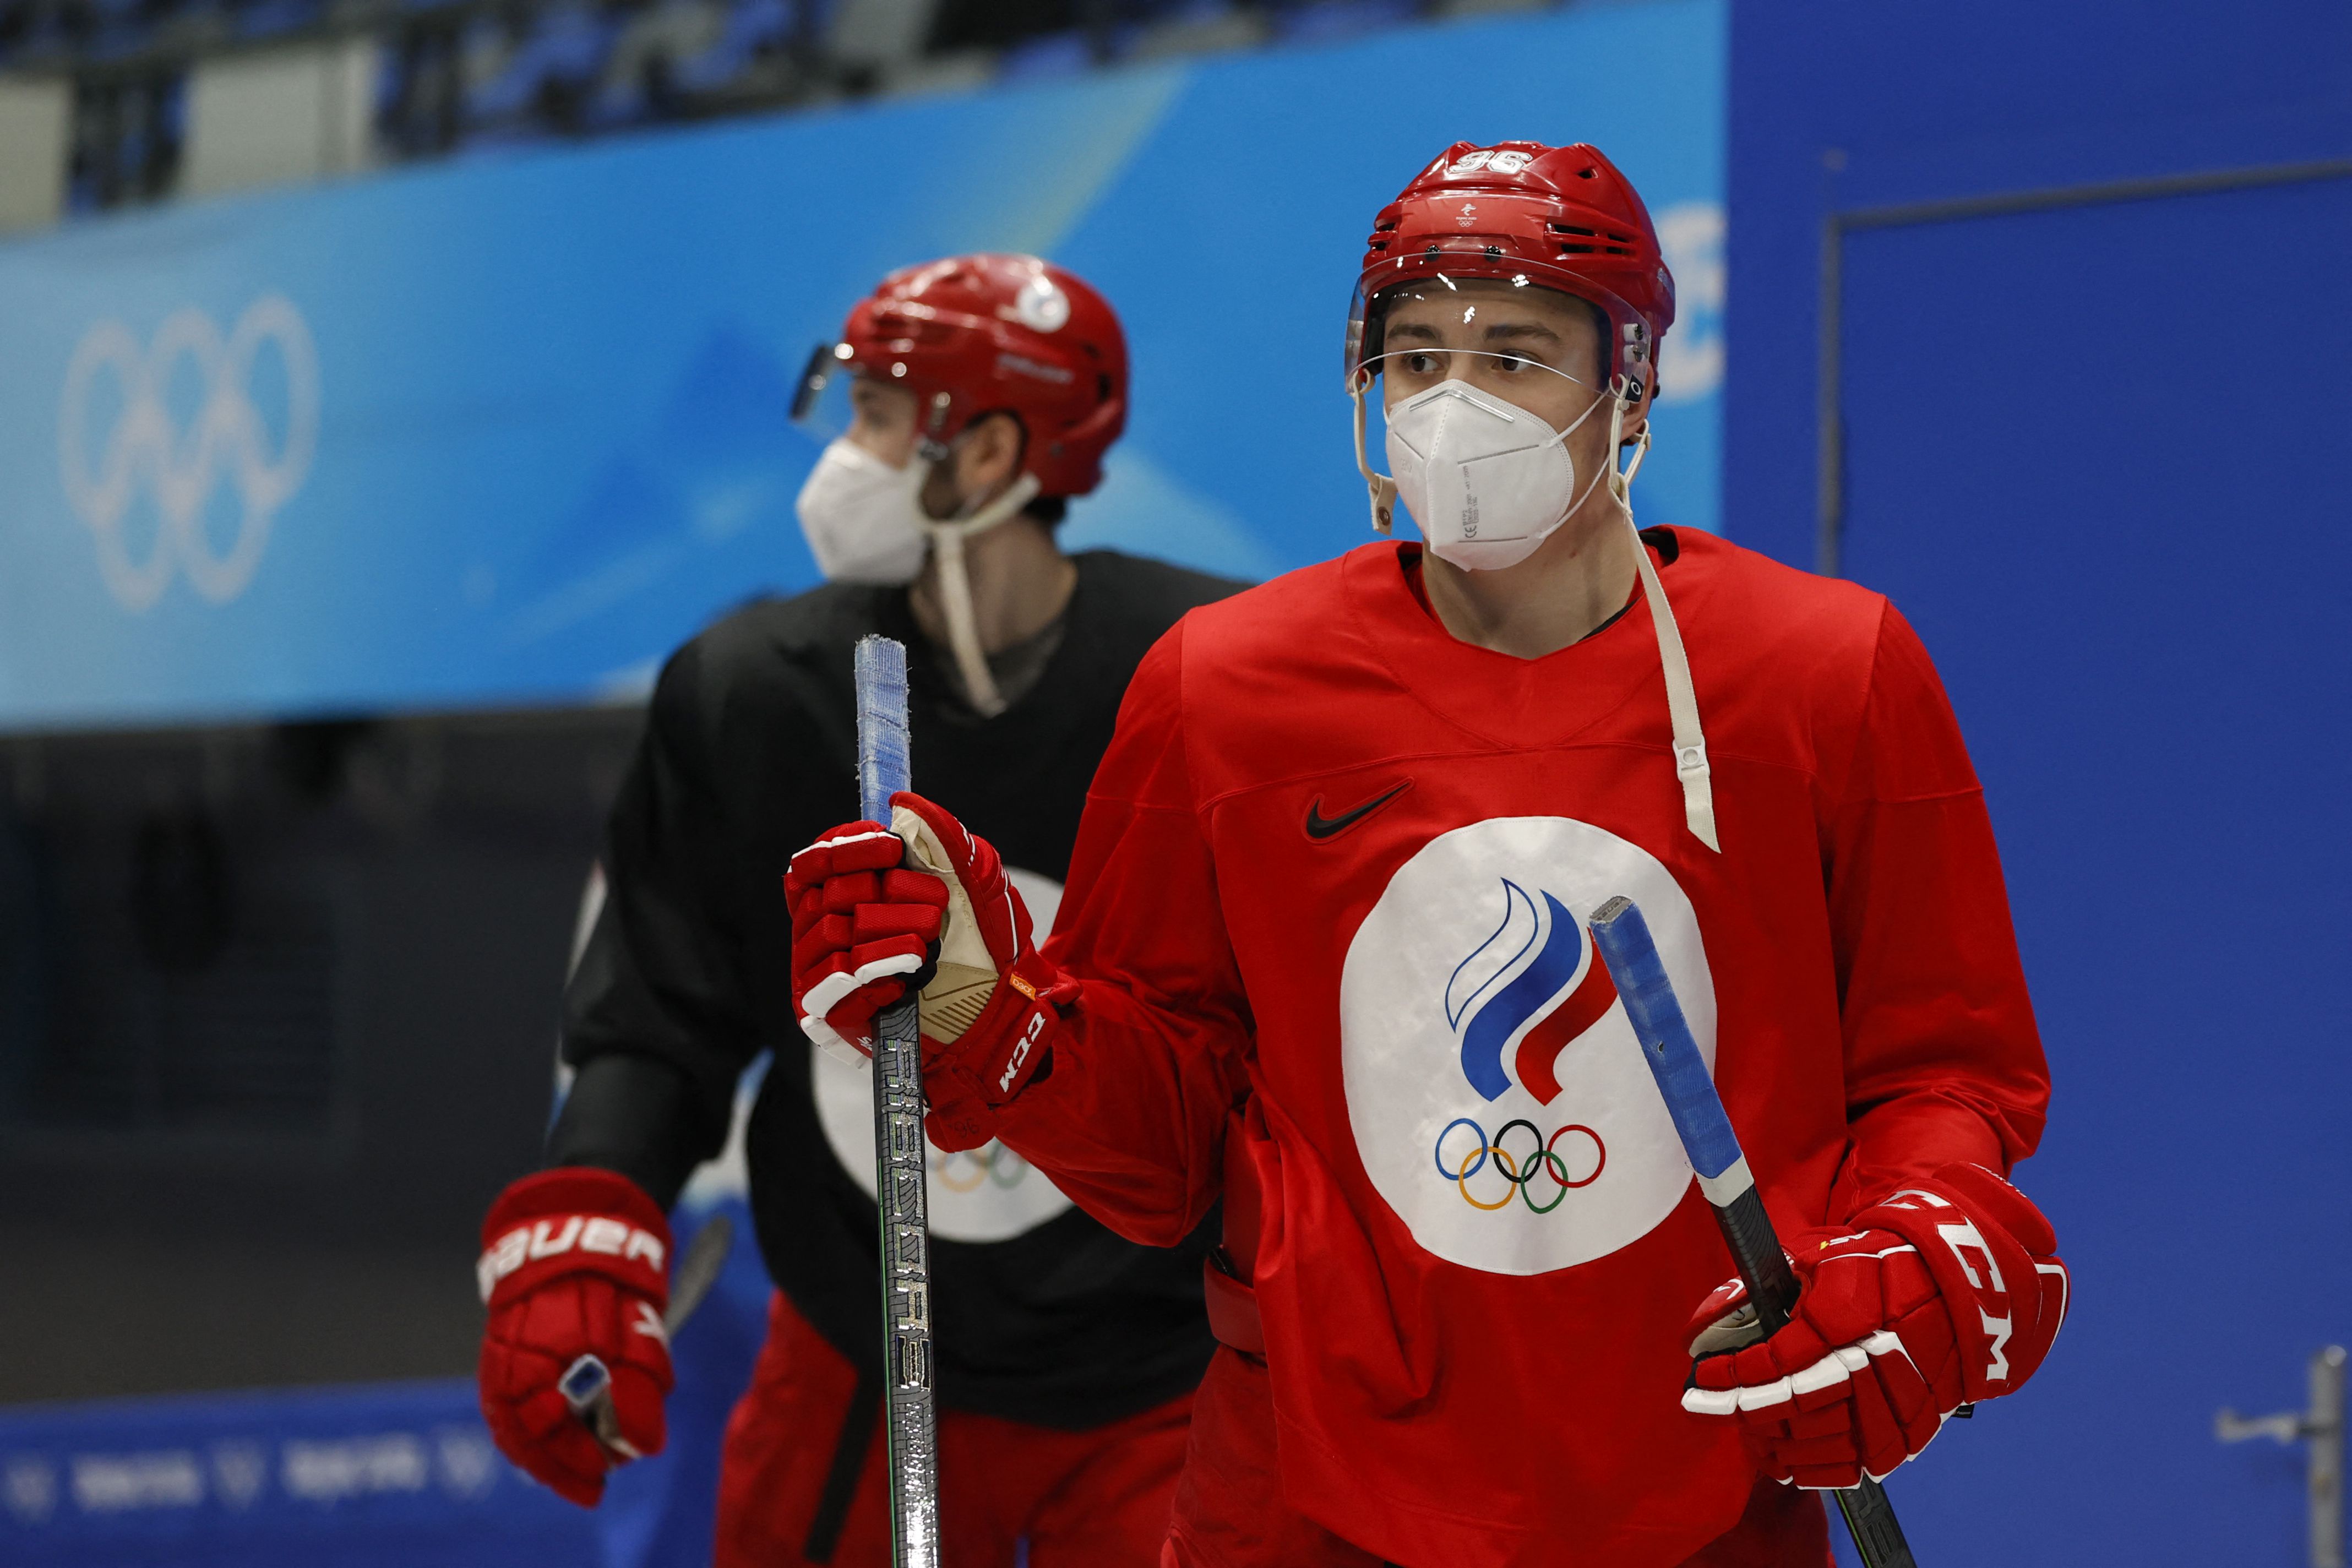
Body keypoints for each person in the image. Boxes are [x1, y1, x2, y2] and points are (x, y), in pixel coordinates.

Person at [786, 144, 2070, 1567]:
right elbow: (1169, 1151)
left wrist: (1920, 1239)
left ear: (1630, 384)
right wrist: (985, 1010)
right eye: (1415, 356)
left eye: (1516, 354)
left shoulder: (1828, 673)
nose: (1454, 404)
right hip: (1301, 1503)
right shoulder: (1223, 690)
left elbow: (1946, 1071)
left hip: (1707, 1482)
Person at [475, 253, 1247, 1568]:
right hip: (862, 1355)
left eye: (883, 417)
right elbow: (661, 1008)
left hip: (1165, 1373)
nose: (848, 454)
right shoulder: (754, 692)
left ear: (995, 448)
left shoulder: (1209, 684)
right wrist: (591, 1210)